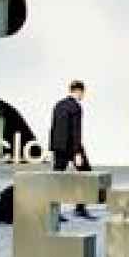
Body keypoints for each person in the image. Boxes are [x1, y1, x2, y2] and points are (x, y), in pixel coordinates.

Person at [49, 80, 95, 219]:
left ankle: (53, 212)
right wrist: (77, 153)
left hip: (59, 147)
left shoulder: (58, 105)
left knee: (57, 178)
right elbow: (76, 131)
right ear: (79, 91)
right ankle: (80, 208)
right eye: (83, 93)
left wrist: (53, 147)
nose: (83, 96)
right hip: (72, 147)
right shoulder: (76, 107)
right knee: (87, 175)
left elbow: (53, 128)